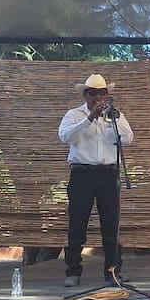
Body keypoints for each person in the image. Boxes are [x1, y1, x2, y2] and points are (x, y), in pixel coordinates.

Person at [58, 74, 134, 287]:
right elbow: (66, 137)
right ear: (85, 95)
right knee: (77, 223)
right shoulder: (74, 115)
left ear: (107, 95)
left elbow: (128, 139)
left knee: (111, 224)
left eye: (101, 93)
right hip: (82, 174)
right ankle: (73, 271)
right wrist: (90, 117)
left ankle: (113, 272)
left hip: (108, 173)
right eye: (93, 93)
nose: (97, 97)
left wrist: (114, 119)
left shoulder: (116, 116)